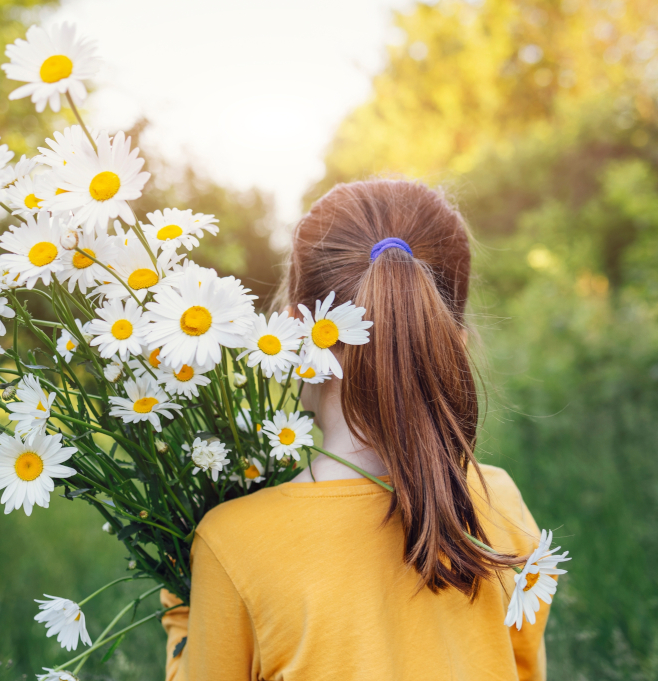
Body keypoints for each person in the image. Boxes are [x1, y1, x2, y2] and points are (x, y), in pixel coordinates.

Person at [159, 180, 551, 680]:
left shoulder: (231, 543)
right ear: (454, 339)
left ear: (296, 327)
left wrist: (183, 613)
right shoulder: (499, 503)